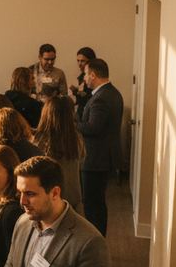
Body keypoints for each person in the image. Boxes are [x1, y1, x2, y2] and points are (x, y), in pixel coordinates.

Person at [76, 58, 123, 236]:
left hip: (96, 159)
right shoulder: (113, 93)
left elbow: (93, 128)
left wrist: (74, 124)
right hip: (103, 156)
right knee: (98, 203)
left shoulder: (101, 98)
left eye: (87, 74)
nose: (85, 78)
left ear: (93, 75)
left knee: (92, 204)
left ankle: (94, 242)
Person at [35, 95, 84, 213]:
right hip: (73, 198)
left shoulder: (42, 142)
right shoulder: (76, 139)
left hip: (51, 200)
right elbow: (81, 161)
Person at [69, 46, 96, 117]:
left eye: (82, 61)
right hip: (81, 112)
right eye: (78, 61)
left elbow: (91, 96)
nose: (79, 64)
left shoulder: (94, 77)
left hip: (91, 112)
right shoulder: (80, 77)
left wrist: (76, 92)